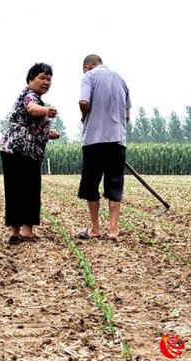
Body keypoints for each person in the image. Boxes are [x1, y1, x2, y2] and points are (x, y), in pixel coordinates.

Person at [0, 62, 59, 244]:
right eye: (42, 78)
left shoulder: (36, 98)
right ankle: (20, 232)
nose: (46, 82)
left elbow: (32, 127)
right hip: (20, 151)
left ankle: (21, 232)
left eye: (49, 79)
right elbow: (31, 108)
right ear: (30, 79)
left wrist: (49, 133)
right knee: (23, 189)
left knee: (23, 190)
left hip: (22, 151)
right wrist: (47, 110)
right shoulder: (29, 95)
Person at [76, 54, 131, 241]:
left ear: (88, 66)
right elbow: (127, 115)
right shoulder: (120, 79)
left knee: (91, 184)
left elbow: (83, 102)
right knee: (115, 184)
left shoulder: (89, 76)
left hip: (94, 139)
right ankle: (113, 230)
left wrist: (85, 116)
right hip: (117, 140)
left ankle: (95, 229)